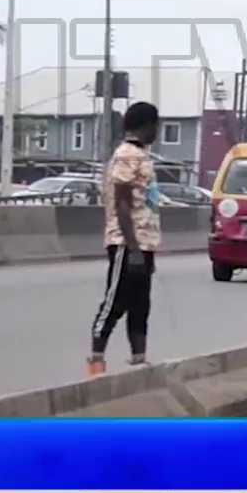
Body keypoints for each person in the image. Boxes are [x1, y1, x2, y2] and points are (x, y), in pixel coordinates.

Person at [88, 102, 163, 376]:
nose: (157, 130)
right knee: (115, 302)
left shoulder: (142, 156)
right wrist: (132, 248)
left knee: (140, 305)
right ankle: (96, 361)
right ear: (147, 125)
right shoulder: (126, 155)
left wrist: (146, 251)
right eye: (156, 125)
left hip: (144, 243)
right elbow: (121, 203)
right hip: (125, 242)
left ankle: (139, 360)